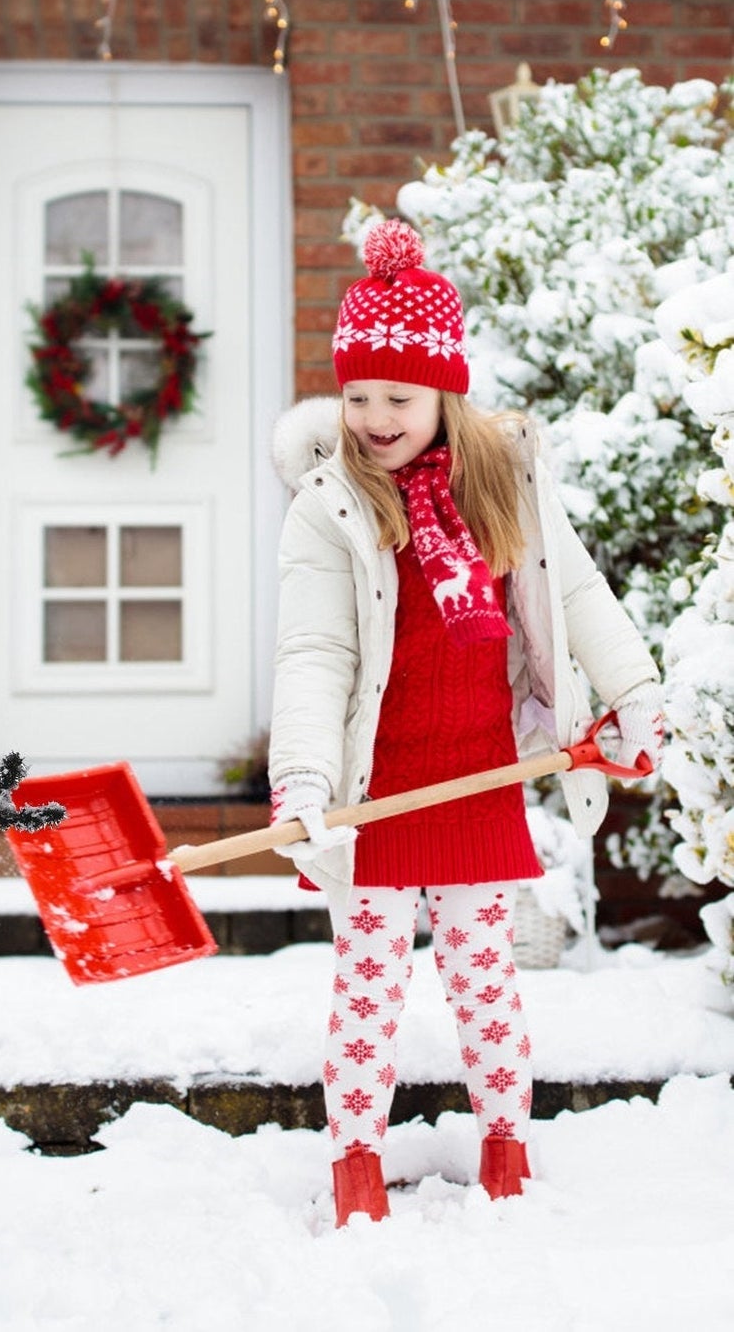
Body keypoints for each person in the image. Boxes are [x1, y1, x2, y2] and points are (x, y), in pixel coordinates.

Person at [266, 218, 662, 1228]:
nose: (372, 417)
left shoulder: (506, 488)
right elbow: (312, 655)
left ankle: (502, 1147)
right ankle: (354, 1163)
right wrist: (305, 781)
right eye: (355, 395)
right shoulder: (329, 507)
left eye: (395, 396)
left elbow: (573, 597)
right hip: (378, 790)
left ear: (443, 390)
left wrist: (634, 692)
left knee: (482, 975)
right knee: (366, 985)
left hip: (477, 776)